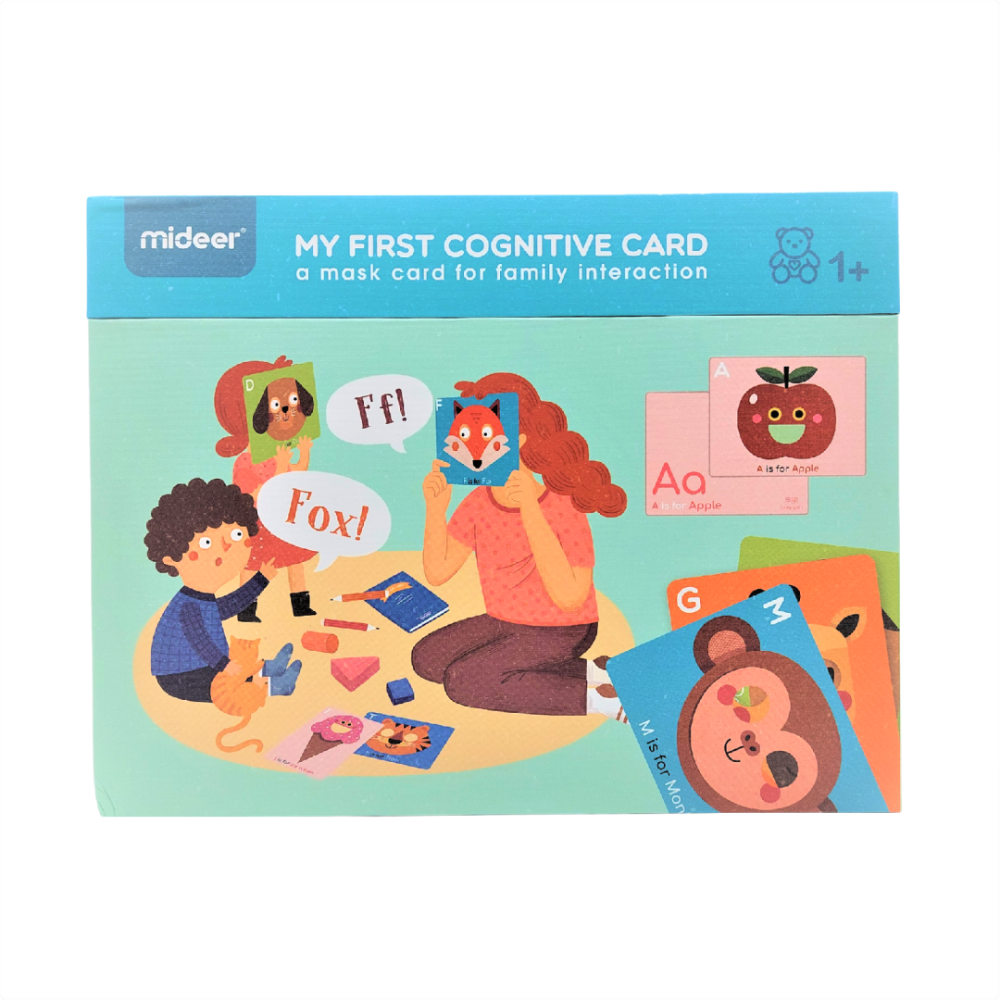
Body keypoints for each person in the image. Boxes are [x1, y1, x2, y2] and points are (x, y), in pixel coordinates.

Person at [411, 373, 629, 721]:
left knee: (463, 681)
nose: (473, 447)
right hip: (506, 621)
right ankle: (597, 673)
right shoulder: (478, 502)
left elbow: (570, 597)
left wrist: (530, 508)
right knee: (427, 659)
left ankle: (602, 701)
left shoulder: (562, 503)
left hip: (564, 627)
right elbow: (437, 572)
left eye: (487, 434)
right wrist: (435, 509)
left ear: (520, 437)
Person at [144, 477, 302, 702]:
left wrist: (261, 580)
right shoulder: (188, 605)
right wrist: (223, 664)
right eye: (206, 543)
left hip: (206, 665)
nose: (226, 549)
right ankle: (274, 686)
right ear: (171, 558)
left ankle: (267, 668)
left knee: (234, 670)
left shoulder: (202, 600)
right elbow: (200, 641)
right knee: (229, 684)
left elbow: (230, 606)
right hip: (181, 676)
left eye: (236, 535)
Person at [213, 356, 318, 621]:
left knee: (295, 562)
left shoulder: (275, 454)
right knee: (253, 566)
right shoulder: (245, 461)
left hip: (283, 519)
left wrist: (304, 452)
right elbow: (263, 492)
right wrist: (281, 465)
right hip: (260, 524)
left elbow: (295, 475)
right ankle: (246, 610)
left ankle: (301, 606)